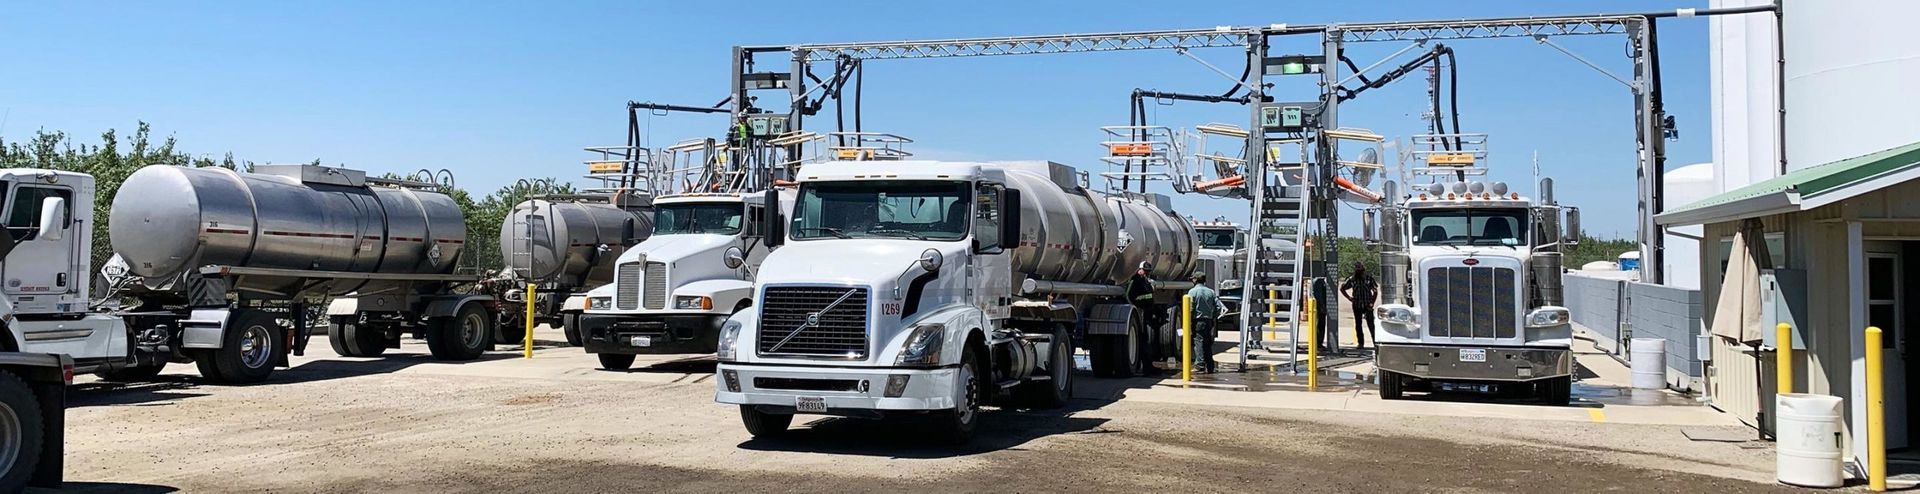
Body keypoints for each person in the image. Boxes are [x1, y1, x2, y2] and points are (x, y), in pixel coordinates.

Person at [1186, 271, 1228, 374]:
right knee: (1207, 343)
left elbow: (1190, 308)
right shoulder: (1211, 292)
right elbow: (1219, 307)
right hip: (1209, 321)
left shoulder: (1192, 292)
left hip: (1198, 320)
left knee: (1198, 342)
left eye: (1193, 279)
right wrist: (1213, 316)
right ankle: (1210, 365)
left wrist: (1188, 321)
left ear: (1195, 280)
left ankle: (1199, 365)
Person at [1340, 263, 1378, 350]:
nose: (1358, 271)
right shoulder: (1352, 279)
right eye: (1357, 269)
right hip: (1357, 304)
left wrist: (1372, 303)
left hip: (1367, 304)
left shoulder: (1369, 278)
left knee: (1371, 324)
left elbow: (1375, 291)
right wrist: (1349, 297)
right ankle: (1360, 343)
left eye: (1360, 269)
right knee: (1358, 324)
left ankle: (1375, 342)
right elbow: (1342, 288)